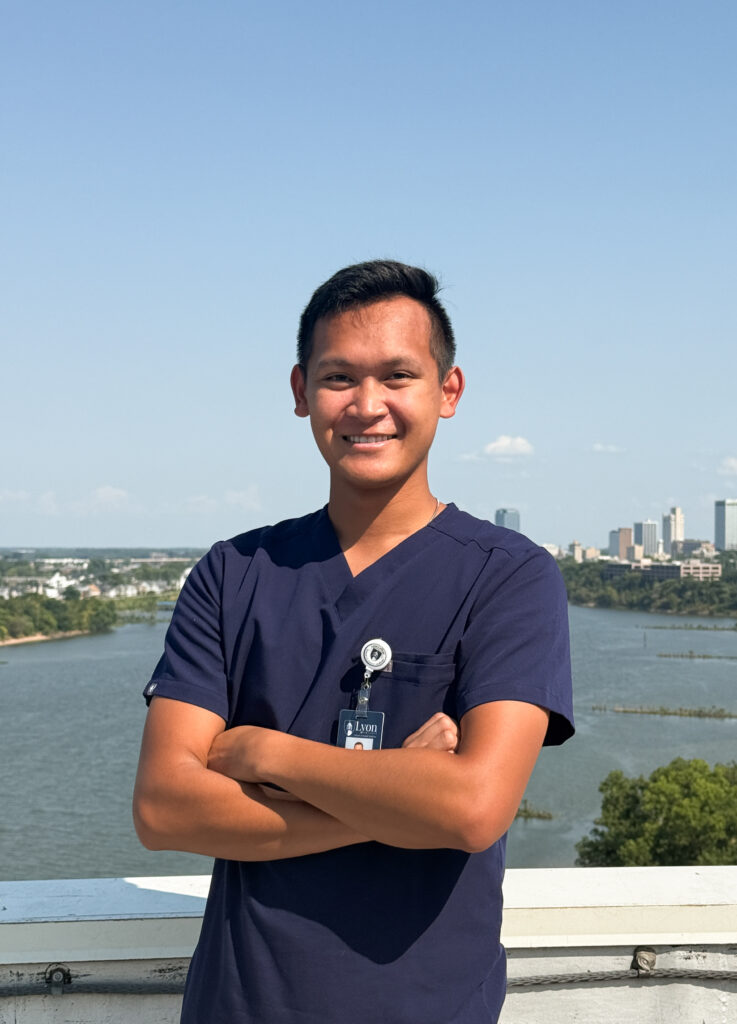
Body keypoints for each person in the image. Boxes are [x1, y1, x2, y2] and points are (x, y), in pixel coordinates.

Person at [133, 259, 574, 1023]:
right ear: (301, 392)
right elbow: (165, 808)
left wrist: (268, 756)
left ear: (448, 391)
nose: (367, 406)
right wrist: (400, 791)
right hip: (239, 1006)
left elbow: (472, 809)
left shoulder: (509, 578)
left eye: (398, 376)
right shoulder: (236, 573)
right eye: (339, 378)